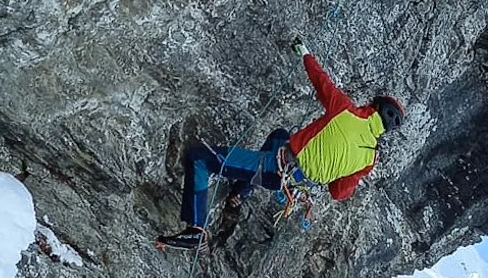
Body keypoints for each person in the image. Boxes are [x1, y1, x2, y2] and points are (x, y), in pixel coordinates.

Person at [158, 39, 405, 251]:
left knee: (200, 158)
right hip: (291, 182)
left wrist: (305, 53)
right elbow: (338, 192)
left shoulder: (346, 111)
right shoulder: (369, 159)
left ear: (374, 106)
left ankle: (196, 229)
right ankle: (239, 193)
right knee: (279, 135)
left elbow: (321, 81)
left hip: (274, 168)